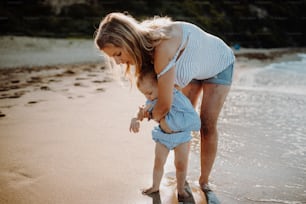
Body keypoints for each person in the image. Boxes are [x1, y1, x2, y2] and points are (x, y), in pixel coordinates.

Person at [94, 12, 235, 203]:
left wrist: (147, 117)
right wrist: (153, 115)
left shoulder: (160, 47)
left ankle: (204, 182)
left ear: (128, 40)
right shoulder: (146, 49)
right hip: (191, 68)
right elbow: (163, 104)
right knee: (181, 121)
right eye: (114, 58)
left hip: (218, 62)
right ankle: (181, 175)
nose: (118, 62)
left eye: (118, 54)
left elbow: (164, 106)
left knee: (207, 125)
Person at [129, 67, 200, 201]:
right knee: (158, 162)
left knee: (181, 164)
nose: (147, 97)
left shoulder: (174, 95)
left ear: (160, 85)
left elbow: (189, 111)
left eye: (149, 92)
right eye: (144, 94)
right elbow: (142, 111)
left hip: (181, 137)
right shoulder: (151, 101)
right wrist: (135, 119)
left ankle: (180, 189)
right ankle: (155, 186)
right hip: (163, 137)